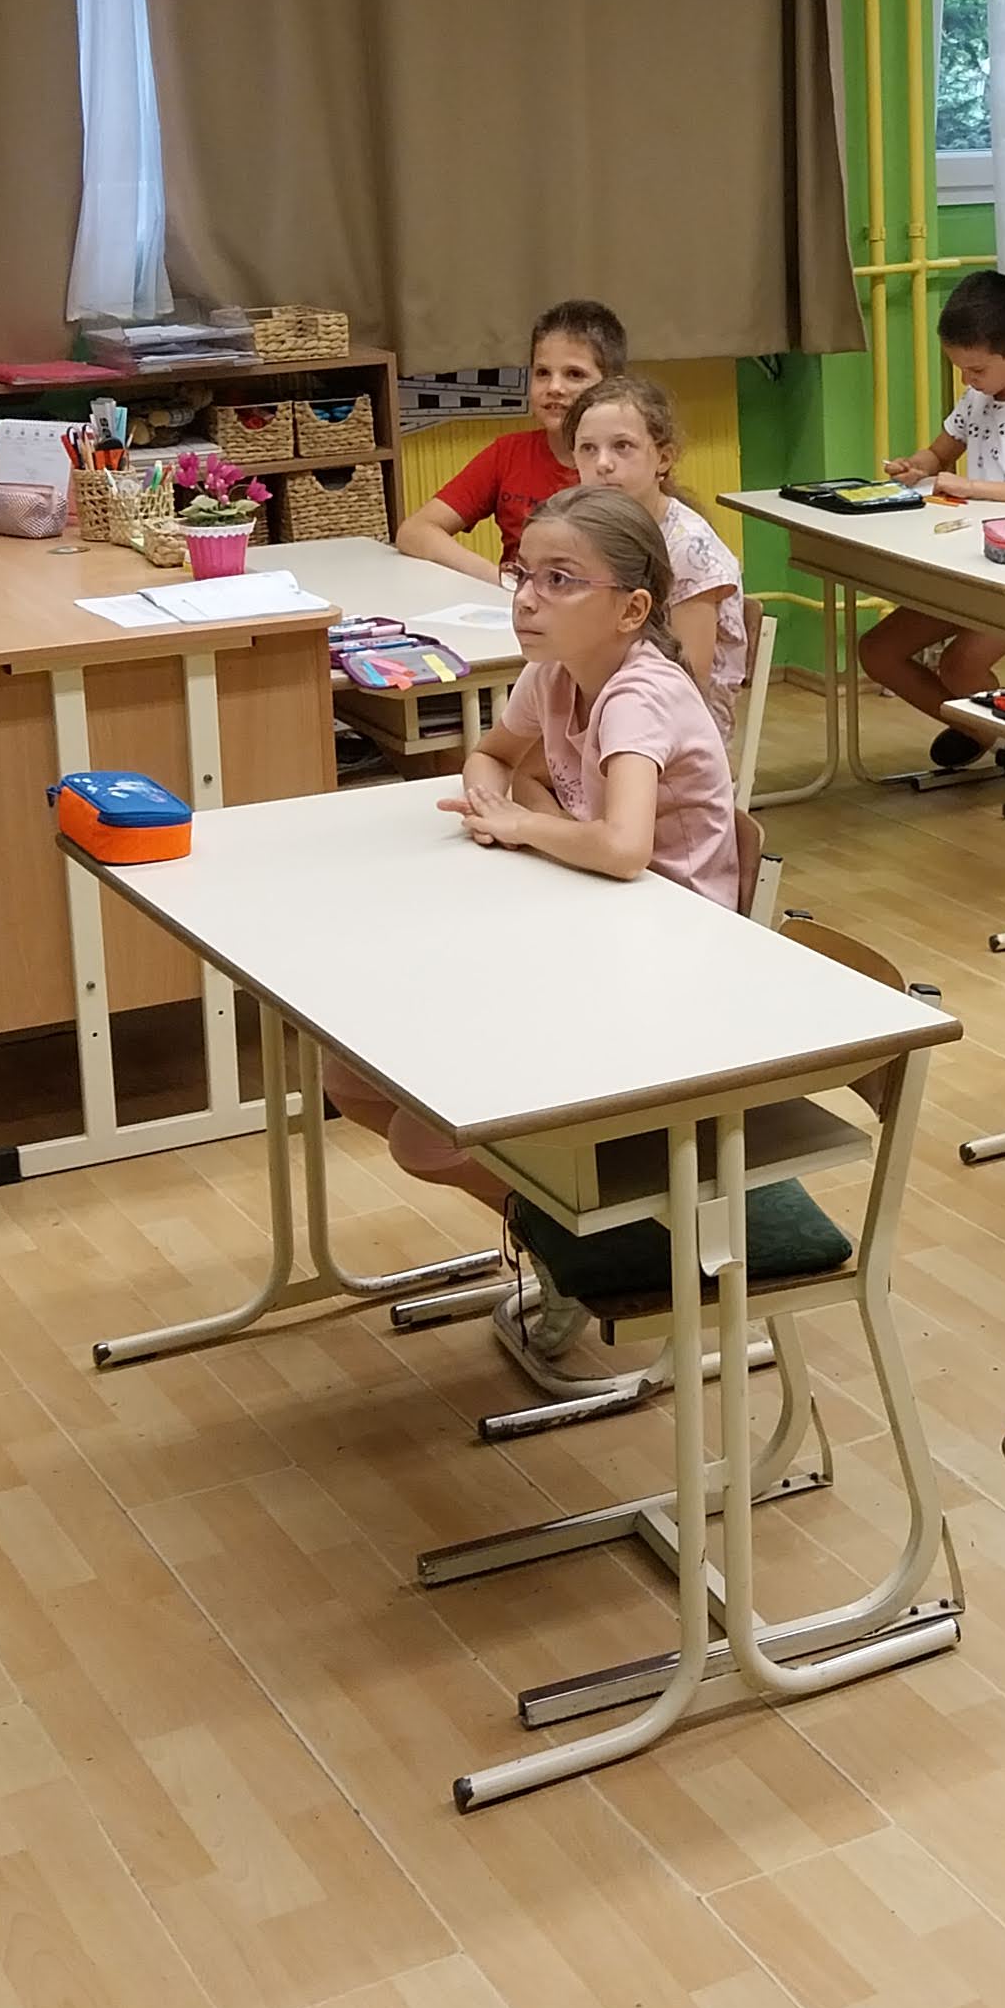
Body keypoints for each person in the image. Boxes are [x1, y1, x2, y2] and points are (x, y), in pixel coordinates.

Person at [323, 486, 742, 1383]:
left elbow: (624, 849)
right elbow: (489, 756)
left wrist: (522, 822)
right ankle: (564, 1238)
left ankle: (586, 1246)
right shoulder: (554, 673)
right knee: (350, 1078)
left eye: (560, 580)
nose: (526, 599)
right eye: (523, 574)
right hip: (585, 927)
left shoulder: (638, 695)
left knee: (426, 1137)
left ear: (631, 609)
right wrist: (493, 800)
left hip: (670, 972)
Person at [864, 269, 1005, 788]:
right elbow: (939, 453)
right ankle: (991, 734)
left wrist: (973, 488)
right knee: (877, 650)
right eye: (960, 369)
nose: (968, 380)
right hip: (971, 565)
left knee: (960, 665)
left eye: (977, 369)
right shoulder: (979, 397)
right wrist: (915, 466)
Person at [563, 370, 749, 722]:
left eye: (622, 446)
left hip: (677, 725)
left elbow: (689, 680)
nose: (602, 463)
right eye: (588, 449)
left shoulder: (688, 548)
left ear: (663, 458)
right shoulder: (589, 528)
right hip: (608, 696)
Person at [399, 299, 627, 574]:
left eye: (574, 374)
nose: (554, 387)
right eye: (542, 373)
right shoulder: (509, 453)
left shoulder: (626, 465)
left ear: (612, 386)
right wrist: (500, 581)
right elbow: (415, 531)